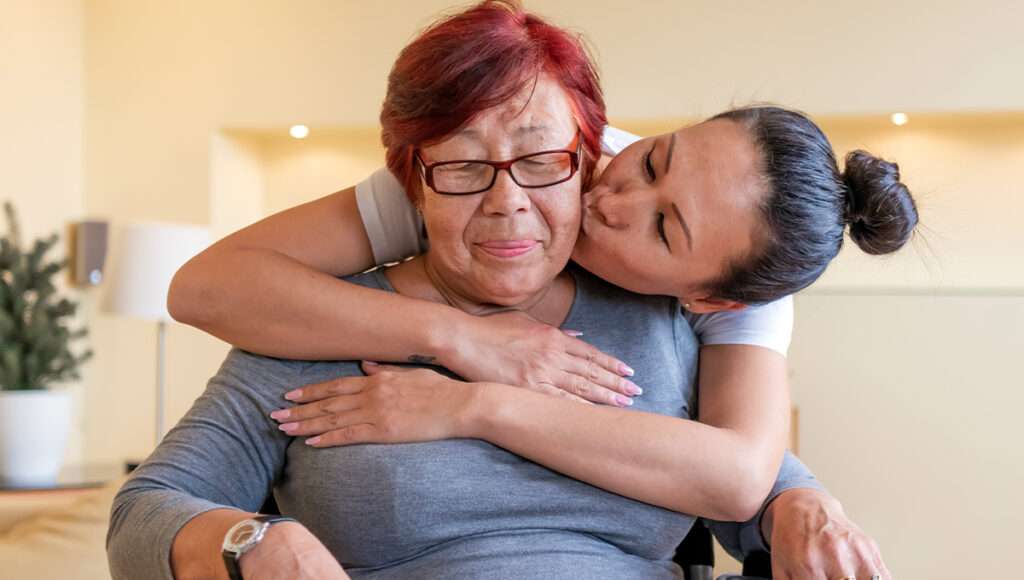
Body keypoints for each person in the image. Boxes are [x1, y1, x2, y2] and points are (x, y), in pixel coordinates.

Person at [163, 1, 910, 577]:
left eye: (662, 230)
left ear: (707, 297)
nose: (607, 198)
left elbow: (745, 470)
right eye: (651, 163)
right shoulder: (510, 160)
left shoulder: (693, 311)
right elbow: (204, 294)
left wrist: (801, 501)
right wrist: (461, 338)